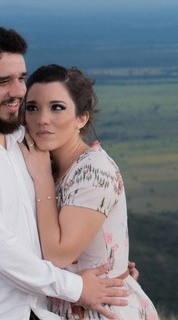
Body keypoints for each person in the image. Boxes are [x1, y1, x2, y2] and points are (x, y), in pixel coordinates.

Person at [0, 25, 129, 320]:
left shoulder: (24, 140)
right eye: (3, 81)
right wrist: (78, 286)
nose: (18, 90)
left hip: (34, 312)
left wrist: (110, 265)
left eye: (20, 78)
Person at [21, 64, 158, 320]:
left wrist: (41, 179)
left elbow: (58, 254)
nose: (42, 119)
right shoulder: (49, 164)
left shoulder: (94, 171)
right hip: (69, 303)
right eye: (32, 108)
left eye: (57, 107)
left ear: (82, 118)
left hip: (102, 309)